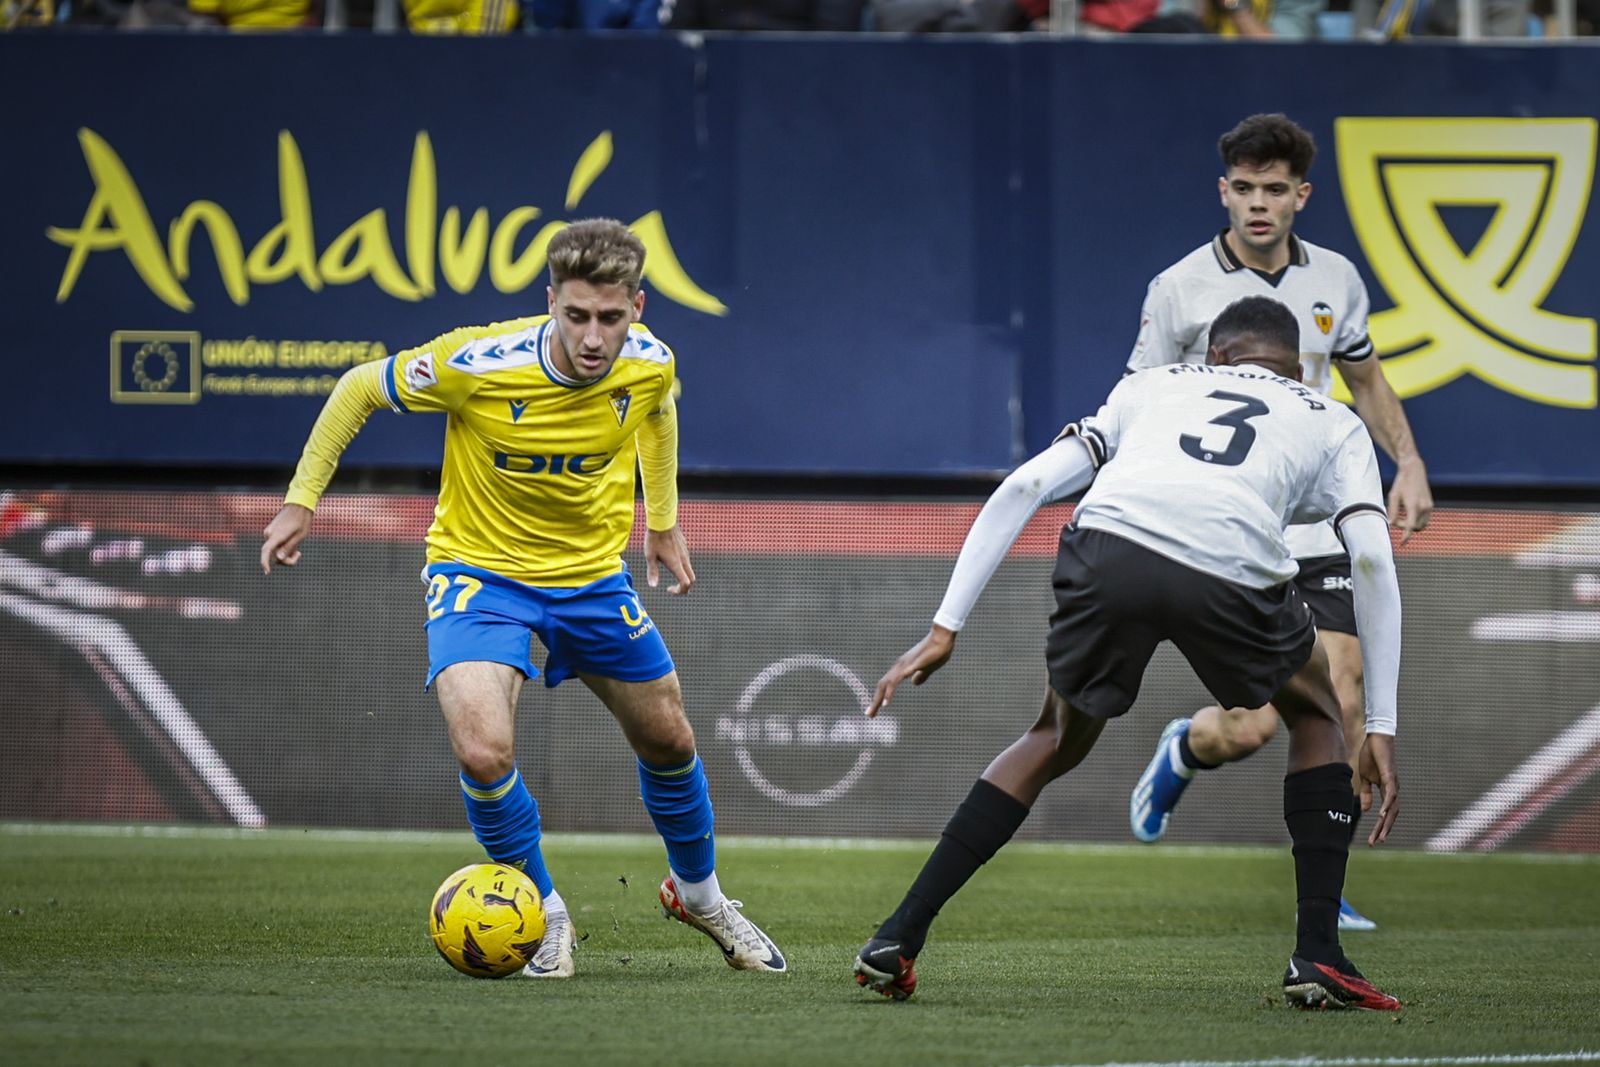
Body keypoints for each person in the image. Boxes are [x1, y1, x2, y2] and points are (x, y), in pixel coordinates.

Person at [260, 218, 785, 978]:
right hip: (479, 574)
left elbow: (659, 413)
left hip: (590, 576)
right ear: (551, 302)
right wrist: (301, 499)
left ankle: (700, 894)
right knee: (482, 748)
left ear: (637, 306)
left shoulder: (649, 364)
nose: (594, 336)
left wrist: (663, 522)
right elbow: (356, 389)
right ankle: (543, 911)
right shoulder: (476, 362)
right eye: (576, 316)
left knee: (670, 738)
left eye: (611, 316)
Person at [852, 296, 1402, 1010]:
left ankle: (900, 932)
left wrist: (945, 625)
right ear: (1299, 369)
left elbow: (1026, 484)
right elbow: (1374, 562)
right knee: (1320, 713)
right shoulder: (1330, 416)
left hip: (1109, 542)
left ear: (1215, 355)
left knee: (1052, 735)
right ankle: (1317, 954)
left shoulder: (1154, 384)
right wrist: (1381, 723)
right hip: (1230, 563)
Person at [1125, 113, 1431, 934]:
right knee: (1254, 725)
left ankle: (1327, 890)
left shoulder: (1336, 279)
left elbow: (1365, 381)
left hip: (1316, 525)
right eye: (1245, 189)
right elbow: (1137, 402)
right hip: (1227, 523)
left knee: (1345, 695)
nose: (1259, 205)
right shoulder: (1180, 288)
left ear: (1302, 195)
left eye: (1276, 190)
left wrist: (1408, 463)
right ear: (1224, 191)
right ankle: (1188, 748)